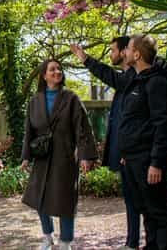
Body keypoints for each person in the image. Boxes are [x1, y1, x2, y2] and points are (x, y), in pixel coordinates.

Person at [70, 37, 140, 250]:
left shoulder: (132, 78)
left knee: (137, 198)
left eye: (113, 50)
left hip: (133, 152)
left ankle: (136, 242)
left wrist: (85, 59)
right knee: (131, 197)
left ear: (125, 53)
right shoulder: (128, 79)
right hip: (126, 151)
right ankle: (133, 241)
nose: (111, 54)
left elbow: (109, 76)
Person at [21, 58, 99, 250]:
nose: (57, 72)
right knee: (38, 198)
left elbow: (83, 128)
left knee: (65, 200)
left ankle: (66, 241)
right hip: (42, 157)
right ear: (44, 75)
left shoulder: (71, 98)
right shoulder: (35, 101)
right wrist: (26, 156)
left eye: (59, 69)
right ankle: (47, 236)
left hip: (64, 157)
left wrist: (85, 156)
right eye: (52, 69)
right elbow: (29, 130)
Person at [119, 35, 167, 250]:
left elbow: (162, 125)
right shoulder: (136, 81)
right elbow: (134, 122)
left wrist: (156, 162)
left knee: (159, 211)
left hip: (148, 160)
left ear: (137, 54)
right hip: (133, 159)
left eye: (128, 49)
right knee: (145, 208)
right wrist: (126, 154)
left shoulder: (156, 83)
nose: (124, 52)